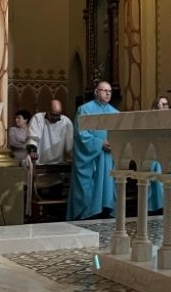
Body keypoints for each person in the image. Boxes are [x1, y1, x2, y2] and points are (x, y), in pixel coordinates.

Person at [67, 81, 119, 220]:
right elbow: (80, 134)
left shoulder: (115, 113)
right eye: (104, 90)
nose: (108, 93)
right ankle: (87, 214)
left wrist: (115, 143)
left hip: (108, 156)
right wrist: (99, 143)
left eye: (110, 91)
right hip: (91, 157)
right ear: (96, 92)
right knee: (90, 187)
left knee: (108, 185)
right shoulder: (85, 110)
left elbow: (121, 134)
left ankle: (106, 211)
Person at [147, 95, 171, 213]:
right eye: (162, 104)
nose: (165, 106)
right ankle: (160, 208)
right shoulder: (150, 122)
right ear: (155, 107)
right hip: (158, 160)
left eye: (167, 104)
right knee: (160, 190)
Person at [25, 100, 72, 165]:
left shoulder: (66, 122)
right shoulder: (38, 118)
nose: (55, 117)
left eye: (57, 115)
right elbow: (32, 137)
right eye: (53, 115)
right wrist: (32, 151)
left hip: (58, 162)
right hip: (40, 161)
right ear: (48, 110)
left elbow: (70, 143)